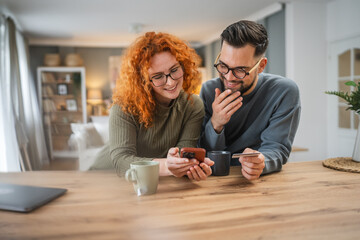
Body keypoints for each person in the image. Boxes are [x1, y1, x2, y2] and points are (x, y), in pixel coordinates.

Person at [90, 32, 214, 181]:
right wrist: (168, 166)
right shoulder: (124, 107)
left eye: (174, 70)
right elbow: (121, 161)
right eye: (158, 76)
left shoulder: (193, 105)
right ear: (143, 81)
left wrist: (190, 165)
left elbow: (181, 156)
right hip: (106, 177)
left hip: (154, 179)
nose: (171, 82)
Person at [199, 20, 301, 180]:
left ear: (261, 66)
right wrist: (216, 124)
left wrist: (262, 161)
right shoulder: (208, 91)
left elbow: (277, 149)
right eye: (223, 65)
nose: (228, 77)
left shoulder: (284, 91)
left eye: (240, 70)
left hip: (259, 181)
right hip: (214, 179)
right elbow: (204, 152)